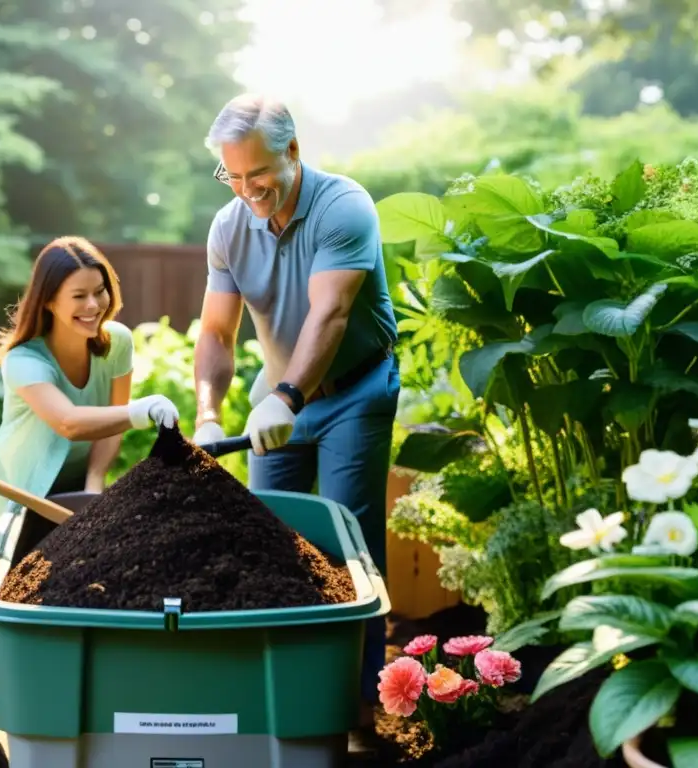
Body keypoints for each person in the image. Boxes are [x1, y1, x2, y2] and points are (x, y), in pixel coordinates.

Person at [191, 94, 400, 743]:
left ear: (293, 152)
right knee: (269, 545)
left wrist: (287, 397)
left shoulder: (344, 207)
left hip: (353, 391)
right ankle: (277, 702)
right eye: (233, 176)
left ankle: (360, 711)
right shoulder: (228, 227)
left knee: (347, 545)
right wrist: (207, 411)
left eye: (258, 174)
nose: (248, 190)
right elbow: (218, 333)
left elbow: (330, 315)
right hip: (276, 397)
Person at [0, 236, 180, 534]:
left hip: (77, 479)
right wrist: (141, 409)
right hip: (21, 486)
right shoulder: (24, 361)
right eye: (79, 296)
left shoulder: (118, 343)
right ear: (48, 300)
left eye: (100, 292)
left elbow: (112, 424)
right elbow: (69, 422)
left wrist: (94, 484)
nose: (93, 305)